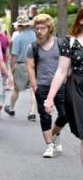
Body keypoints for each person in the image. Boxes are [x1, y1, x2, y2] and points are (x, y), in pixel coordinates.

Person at [44, 9, 83, 167]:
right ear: (81, 20)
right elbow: (61, 71)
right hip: (77, 87)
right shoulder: (71, 42)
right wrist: (49, 98)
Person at [27, 14, 67, 158]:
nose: (39, 31)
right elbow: (30, 67)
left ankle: (54, 134)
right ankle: (49, 145)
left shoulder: (61, 44)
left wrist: (66, 78)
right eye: (36, 28)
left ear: (49, 28)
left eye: (42, 28)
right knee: (45, 116)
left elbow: (67, 64)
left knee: (65, 114)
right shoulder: (33, 47)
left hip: (61, 86)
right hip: (42, 85)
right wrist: (34, 85)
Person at [6, 16, 37, 121]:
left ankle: (11, 108)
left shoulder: (18, 37)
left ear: (20, 26)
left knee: (16, 89)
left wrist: (12, 67)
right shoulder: (36, 35)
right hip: (35, 64)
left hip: (22, 64)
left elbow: (14, 54)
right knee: (33, 89)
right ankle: (32, 112)